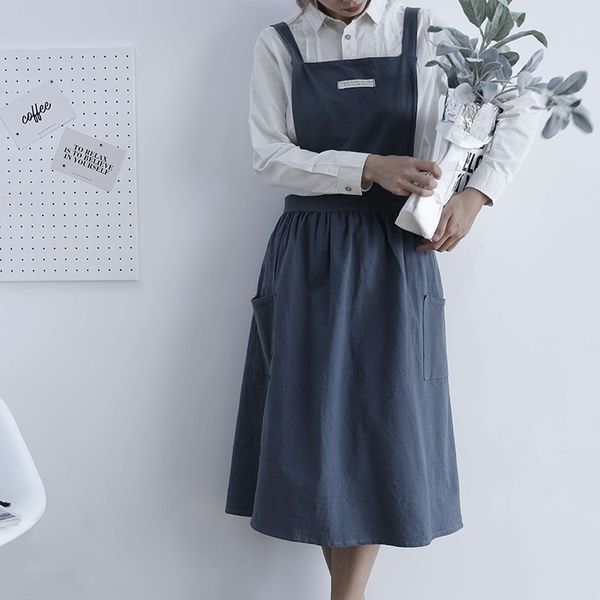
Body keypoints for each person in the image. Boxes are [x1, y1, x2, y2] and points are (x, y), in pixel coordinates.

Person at [225, 1, 541, 598]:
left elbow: (522, 98)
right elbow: (269, 155)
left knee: (384, 417)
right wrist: (369, 166)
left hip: (398, 247)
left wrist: (477, 196)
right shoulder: (281, 44)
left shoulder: (431, 30)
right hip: (311, 252)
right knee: (317, 423)